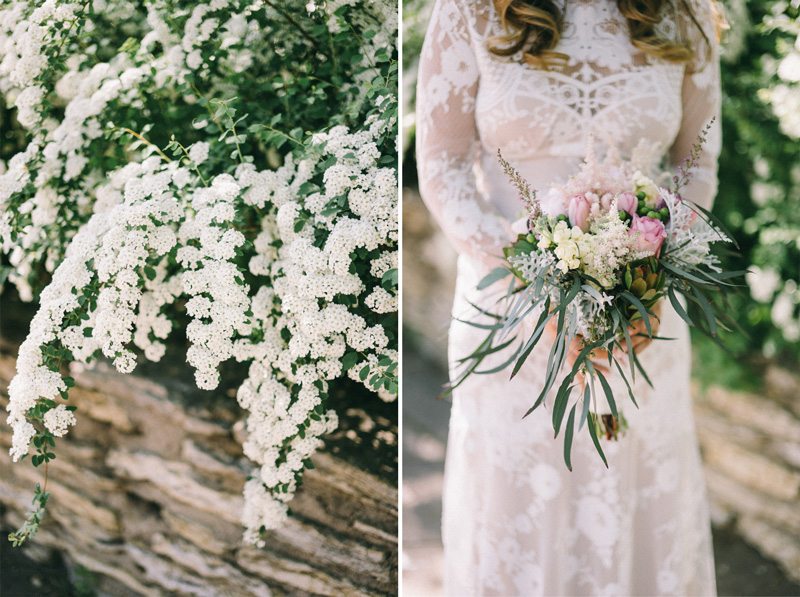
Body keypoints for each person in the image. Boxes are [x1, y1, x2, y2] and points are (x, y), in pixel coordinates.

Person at [415, 0, 722, 594]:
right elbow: (442, 165)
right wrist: (537, 279)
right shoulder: (471, 11)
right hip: (510, 324)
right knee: (520, 516)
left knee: (632, 504)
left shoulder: (686, 15)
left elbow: (696, 165)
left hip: (645, 321)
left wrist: (651, 276)